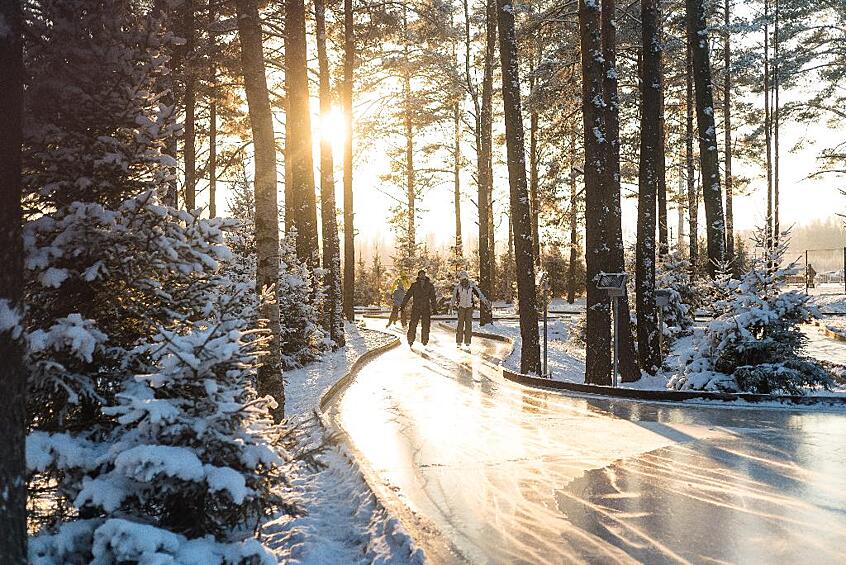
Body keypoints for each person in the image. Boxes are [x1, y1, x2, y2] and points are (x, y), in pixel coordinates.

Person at [451, 270, 489, 348]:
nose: (464, 281)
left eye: (465, 279)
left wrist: (485, 301)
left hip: (469, 307)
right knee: (460, 325)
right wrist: (451, 305)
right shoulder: (458, 287)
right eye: (462, 279)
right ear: (460, 279)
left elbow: (479, 294)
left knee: (468, 325)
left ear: (467, 278)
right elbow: (454, 297)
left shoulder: (472, 286)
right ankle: (459, 341)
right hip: (461, 307)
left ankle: (467, 341)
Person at [400, 269, 437, 348]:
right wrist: (403, 304)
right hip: (416, 308)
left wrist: (434, 308)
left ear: (425, 275)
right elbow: (408, 295)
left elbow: (433, 297)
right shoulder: (414, 285)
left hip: (426, 308)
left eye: (423, 274)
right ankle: (410, 339)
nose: (422, 276)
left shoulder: (429, 286)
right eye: (420, 274)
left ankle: (425, 340)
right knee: (413, 324)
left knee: (426, 325)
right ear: (418, 276)